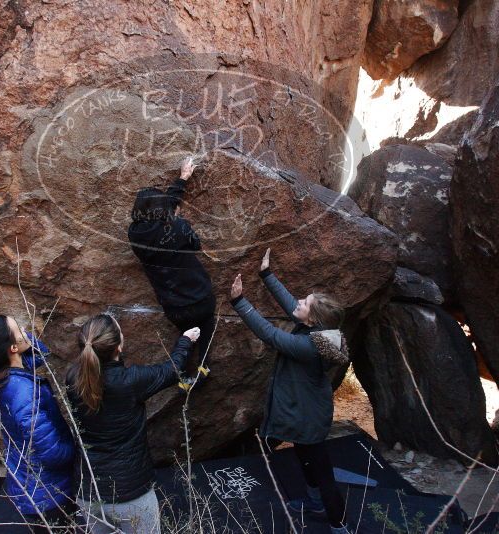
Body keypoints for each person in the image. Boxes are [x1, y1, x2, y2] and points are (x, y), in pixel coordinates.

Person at [229, 248, 352, 533]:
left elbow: (270, 334)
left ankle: (339, 524)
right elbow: (290, 306)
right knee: (304, 457)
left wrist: (239, 302)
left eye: (305, 303)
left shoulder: (308, 346)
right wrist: (266, 274)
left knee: (322, 472)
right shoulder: (317, 331)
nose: (299, 302)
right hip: (304, 410)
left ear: (312, 321)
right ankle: (315, 503)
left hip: (308, 415)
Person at [65, 313, 199, 533]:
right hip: (129, 492)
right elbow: (172, 370)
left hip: (88, 491)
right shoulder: (130, 381)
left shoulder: (72, 377)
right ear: (118, 347)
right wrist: (186, 340)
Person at [0, 315, 77, 532]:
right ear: (13, 348)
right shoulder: (22, 393)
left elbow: (41, 355)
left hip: (30, 482)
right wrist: (77, 452)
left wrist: (25, 340)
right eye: (20, 330)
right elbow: (52, 453)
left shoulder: (2, 375)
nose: (26, 332)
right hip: (47, 492)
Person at [128, 156, 215, 390]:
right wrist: (179, 220)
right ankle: (203, 368)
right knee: (207, 326)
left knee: (186, 333)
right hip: (199, 295)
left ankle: (182, 373)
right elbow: (196, 244)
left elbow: (160, 213)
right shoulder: (179, 227)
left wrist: (182, 179)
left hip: (173, 304)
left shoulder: (135, 234)